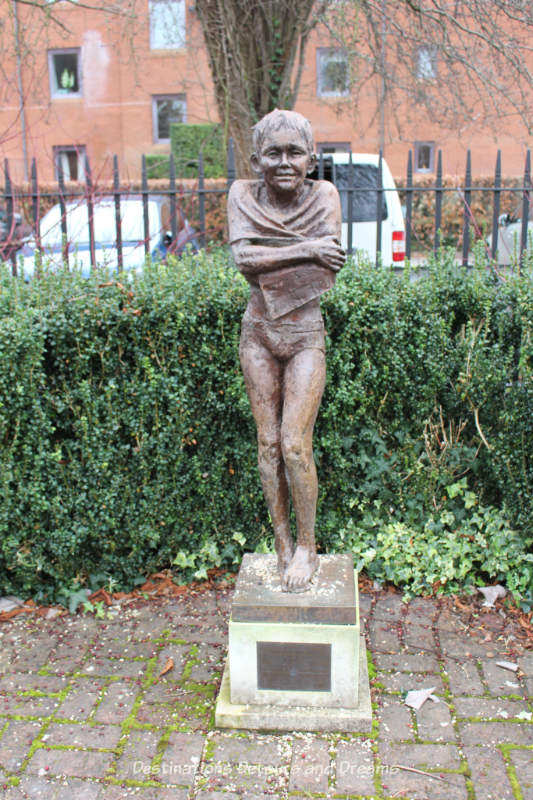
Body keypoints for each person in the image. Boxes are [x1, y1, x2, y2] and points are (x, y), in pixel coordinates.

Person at [227, 109, 345, 592]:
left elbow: (331, 260)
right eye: (272, 152)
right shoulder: (241, 195)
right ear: (256, 159)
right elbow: (243, 258)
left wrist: (289, 252)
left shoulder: (326, 196)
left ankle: (307, 546)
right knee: (268, 444)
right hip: (258, 332)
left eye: (294, 152)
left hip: (304, 337)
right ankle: (280, 542)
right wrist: (307, 250)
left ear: (311, 158)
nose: (283, 161)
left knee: (295, 444)